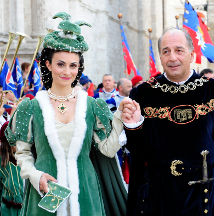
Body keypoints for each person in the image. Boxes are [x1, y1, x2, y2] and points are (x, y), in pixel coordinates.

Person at [5, 12, 127, 216]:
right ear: (48, 64)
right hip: (44, 192)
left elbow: (107, 150)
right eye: (60, 64)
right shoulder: (31, 107)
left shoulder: (92, 106)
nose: (67, 72)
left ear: (79, 68)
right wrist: (36, 176)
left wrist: (120, 118)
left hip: (86, 193)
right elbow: (22, 154)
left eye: (73, 65)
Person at [121, 27, 214, 215]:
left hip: (202, 192)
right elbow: (137, 150)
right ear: (160, 57)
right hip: (157, 193)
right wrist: (133, 126)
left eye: (179, 50)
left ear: (191, 54)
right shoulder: (143, 93)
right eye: (166, 51)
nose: (172, 57)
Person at [0, 121, 24, 215]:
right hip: (8, 210)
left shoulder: (28, 158)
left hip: (25, 209)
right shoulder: (2, 160)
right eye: (15, 141)